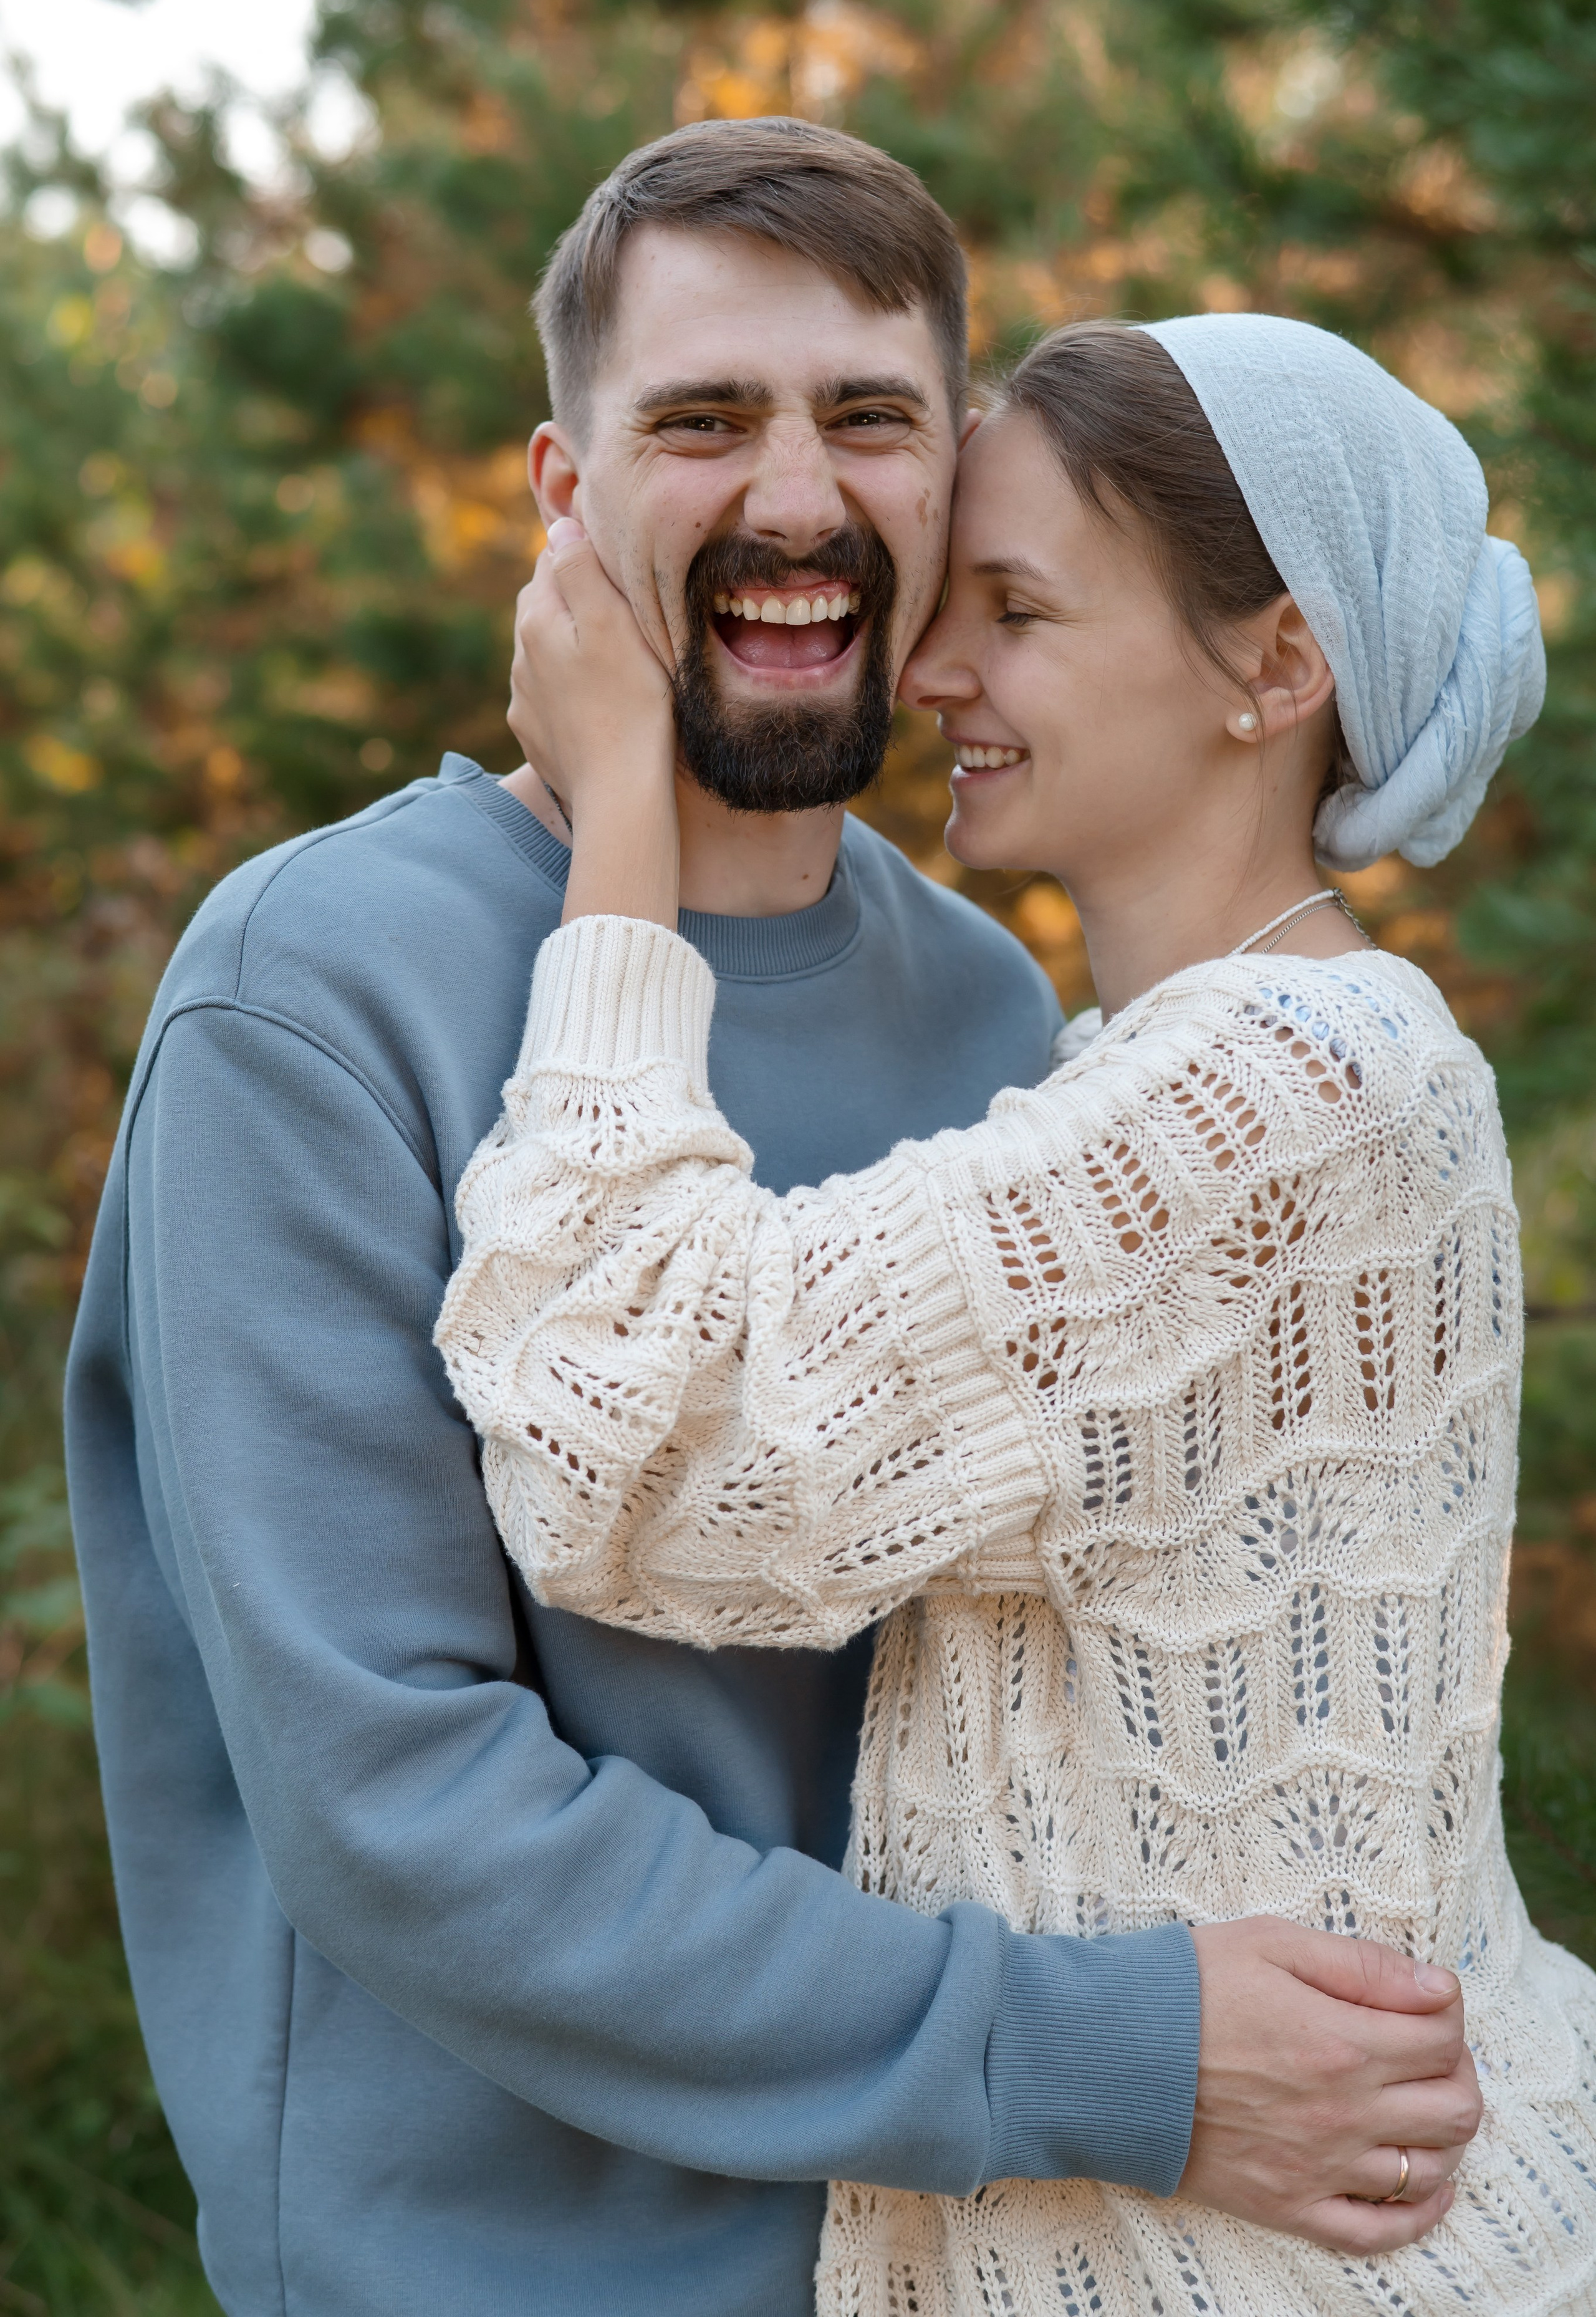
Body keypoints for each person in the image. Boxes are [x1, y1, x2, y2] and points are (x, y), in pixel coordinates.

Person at [66, 122, 1477, 2317]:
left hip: (996, 2255)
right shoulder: (307, 994)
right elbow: (401, 1803)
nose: (799, 498)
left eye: (873, 420)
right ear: (562, 496)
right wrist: (1083, 2050)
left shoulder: (1002, 1002)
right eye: (705, 420)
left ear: (950, 480)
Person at [436, 306, 1594, 2316]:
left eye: (1020, 610)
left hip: (1266, 2271)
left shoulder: (1275, 1096)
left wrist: (618, 811)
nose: (937, 668)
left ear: (1277, 668)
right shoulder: (1180, 1077)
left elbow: (627, 1447)